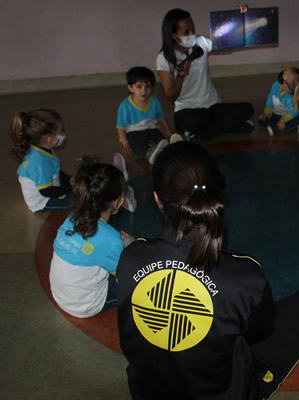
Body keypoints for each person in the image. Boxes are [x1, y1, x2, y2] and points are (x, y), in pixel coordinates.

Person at [117, 142, 299, 400]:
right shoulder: (245, 276)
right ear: (218, 196)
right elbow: (260, 333)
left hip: (149, 393)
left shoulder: (130, 257)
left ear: (157, 199)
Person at [157, 8, 254, 143]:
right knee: (192, 123)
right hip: (188, 111)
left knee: (246, 108)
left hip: (212, 106)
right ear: (174, 35)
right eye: (186, 32)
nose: (192, 34)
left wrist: (240, 18)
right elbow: (170, 95)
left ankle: (202, 136)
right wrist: (180, 77)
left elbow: (227, 45)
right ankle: (228, 125)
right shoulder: (164, 58)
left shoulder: (201, 42)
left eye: (193, 29)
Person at [50, 163, 132, 318]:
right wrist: (129, 246)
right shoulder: (109, 238)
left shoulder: (71, 218)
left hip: (61, 294)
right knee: (138, 281)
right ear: (118, 201)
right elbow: (126, 273)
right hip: (85, 304)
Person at [116, 66, 182, 165]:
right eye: (139, 87)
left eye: (148, 87)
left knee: (160, 139)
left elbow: (161, 117)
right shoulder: (125, 106)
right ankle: (149, 153)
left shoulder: (154, 102)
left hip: (152, 128)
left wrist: (168, 131)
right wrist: (125, 143)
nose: (144, 91)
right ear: (130, 88)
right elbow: (120, 127)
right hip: (134, 132)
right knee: (137, 144)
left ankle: (169, 147)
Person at [9, 109, 72, 212]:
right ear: (50, 139)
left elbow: (55, 170)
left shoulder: (41, 150)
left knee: (82, 193)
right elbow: (46, 191)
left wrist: (70, 180)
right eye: (61, 131)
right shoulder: (40, 162)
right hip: (43, 202)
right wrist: (68, 189)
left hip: (50, 189)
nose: (63, 134)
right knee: (83, 203)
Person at [258, 67, 299, 136]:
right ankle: (287, 127)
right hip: (276, 114)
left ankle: (279, 127)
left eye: (284, 73)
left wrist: (283, 119)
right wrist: (267, 113)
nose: (282, 72)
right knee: (262, 120)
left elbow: (294, 112)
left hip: (287, 116)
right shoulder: (276, 85)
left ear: (287, 84)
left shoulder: (289, 98)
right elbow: (270, 99)